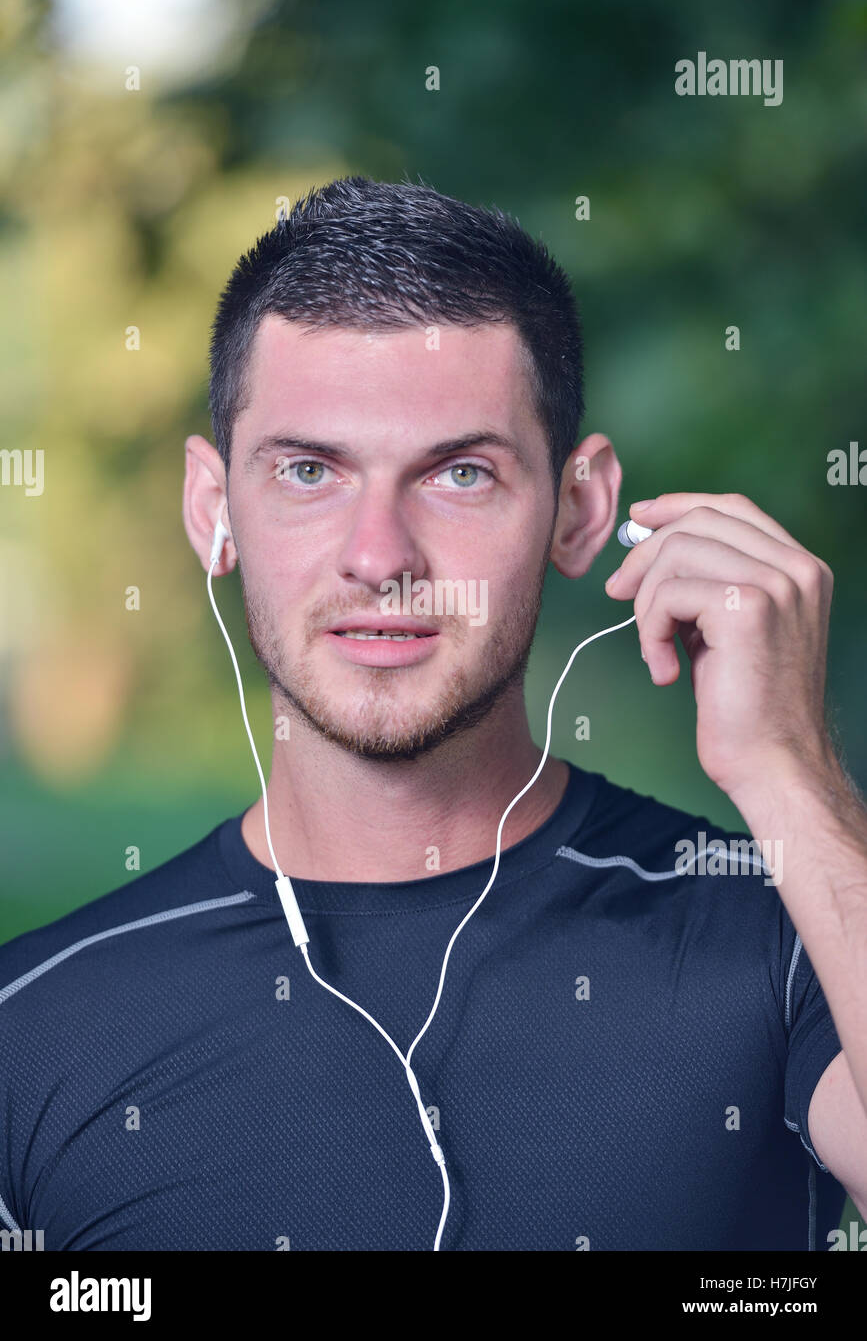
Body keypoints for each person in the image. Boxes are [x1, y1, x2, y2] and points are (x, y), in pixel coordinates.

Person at [2, 175, 866, 1252]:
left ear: (579, 507)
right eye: (311, 471)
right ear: (213, 509)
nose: (379, 558)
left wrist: (787, 767)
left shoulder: (778, 937)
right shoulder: (30, 1025)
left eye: (459, 473)